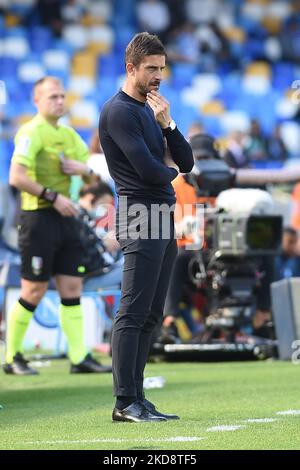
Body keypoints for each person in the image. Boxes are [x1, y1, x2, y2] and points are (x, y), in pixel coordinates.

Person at [99, 32, 193, 422]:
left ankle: (138, 397)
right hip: (139, 214)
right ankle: (124, 403)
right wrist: (170, 172)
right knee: (133, 311)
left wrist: (168, 124)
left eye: (162, 68)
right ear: (131, 68)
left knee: (153, 311)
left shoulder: (151, 111)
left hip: (160, 214)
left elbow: (185, 162)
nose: (158, 76)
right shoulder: (119, 112)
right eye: (151, 68)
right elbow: (151, 172)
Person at [3, 76, 112, 376]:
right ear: (37, 100)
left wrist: (85, 170)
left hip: (67, 220)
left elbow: (95, 181)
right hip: (38, 219)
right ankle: (13, 356)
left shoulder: (69, 135)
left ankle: (80, 358)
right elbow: (16, 177)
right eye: (53, 96)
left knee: (72, 287)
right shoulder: (31, 132)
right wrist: (53, 197)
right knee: (34, 289)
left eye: (62, 96)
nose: (60, 101)